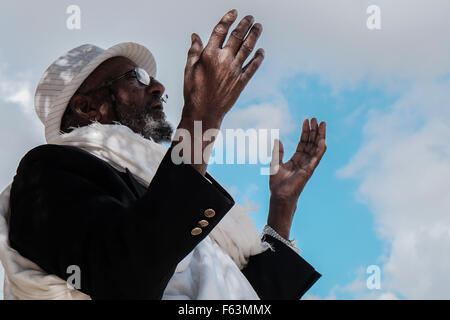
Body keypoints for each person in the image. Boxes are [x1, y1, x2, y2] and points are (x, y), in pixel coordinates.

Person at [0, 9, 327, 300]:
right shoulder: (47, 171)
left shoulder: (161, 187)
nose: (157, 86)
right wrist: (203, 115)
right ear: (86, 108)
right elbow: (125, 278)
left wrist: (282, 206)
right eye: (135, 77)